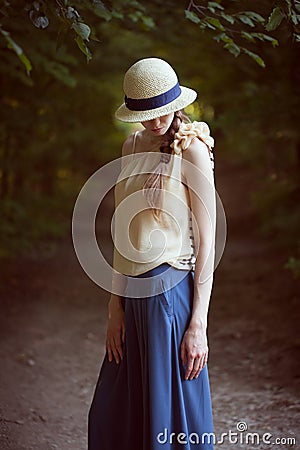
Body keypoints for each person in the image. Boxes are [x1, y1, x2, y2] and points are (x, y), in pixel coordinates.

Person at [88, 57, 216, 450]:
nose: (154, 121)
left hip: (169, 297)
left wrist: (199, 323)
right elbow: (125, 235)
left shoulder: (192, 149)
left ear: (175, 104)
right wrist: (115, 308)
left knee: (167, 412)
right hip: (131, 293)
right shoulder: (131, 145)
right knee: (114, 411)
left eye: (160, 112)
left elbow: (208, 242)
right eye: (145, 114)